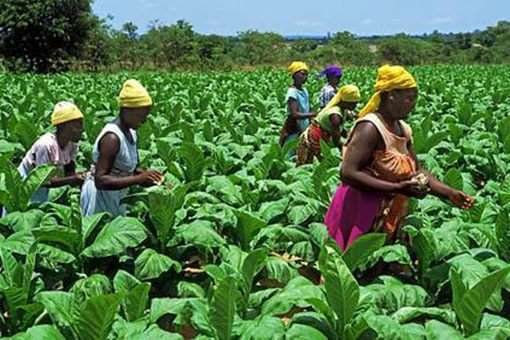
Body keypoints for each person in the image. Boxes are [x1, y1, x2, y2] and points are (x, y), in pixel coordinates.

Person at [324, 65, 474, 251]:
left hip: (389, 213)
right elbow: (348, 172)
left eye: (415, 98)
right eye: (409, 98)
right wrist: (397, 188)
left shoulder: (403, 128)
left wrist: (448, 193)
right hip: (359, 213)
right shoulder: (370, 127)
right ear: (391, 95)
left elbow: (416, 171)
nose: (413, 104)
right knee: (353, 268)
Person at [81, 79, 163, 216]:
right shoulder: (112, 138)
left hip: (116, 196)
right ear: (126, 110)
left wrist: (150, 177)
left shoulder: (132, 133)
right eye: (141, 116)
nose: (144, 121)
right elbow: (100, 180)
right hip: (100, 198)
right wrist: (138, 179)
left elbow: (128, 169)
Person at [17, 101, 85, 203]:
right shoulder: (45, 145)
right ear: (62, 126)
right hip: (25, 183)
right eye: (77, 125)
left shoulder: (72, 144)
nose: (81, 129)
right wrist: (73, 179)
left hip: (42, 188)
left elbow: (69, 172)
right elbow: (43, 180)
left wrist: (83, 176)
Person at [296, 85, 361, 165]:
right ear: (345, 101)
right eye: (353, 103)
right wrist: (348, 150)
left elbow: (341, 130)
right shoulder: (335, 116)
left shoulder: (343, 109)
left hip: (321, 139)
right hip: (312, 141)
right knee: (309, 166)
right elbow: (336, 140)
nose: (355, 106)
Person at [279, 61, 315, 148]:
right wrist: (313, 114)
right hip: (293, 128)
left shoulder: (304, 91)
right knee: (290, 153)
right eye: (302, 74)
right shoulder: (292, 92)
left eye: (306, 74)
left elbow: (306, 108)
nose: (305, 77)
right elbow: (294, 114)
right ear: (294, 75)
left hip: (304, 127)